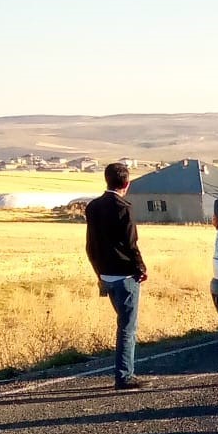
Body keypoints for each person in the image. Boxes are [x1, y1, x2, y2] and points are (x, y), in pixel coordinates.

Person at [85, 161, 149, 390]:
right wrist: (141, 268)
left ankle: (124, 373)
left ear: (107, 179)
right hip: (125, 276)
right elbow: (131, 244)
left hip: (106, 274)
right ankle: (124, 376)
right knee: (127, 327)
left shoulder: (92, 207)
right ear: (127, 183)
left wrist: (99, 274)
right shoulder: (124, 208)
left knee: (123, 323)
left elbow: (90, 245)